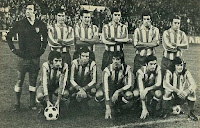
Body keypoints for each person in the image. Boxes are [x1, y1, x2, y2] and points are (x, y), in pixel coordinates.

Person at [6, 2, 48, 111]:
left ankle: (32, 103)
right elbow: (9, 37)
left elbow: (45, 38)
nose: (27, 11)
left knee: (33, 81)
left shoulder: (40, 24)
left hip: (35, 58)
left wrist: (42, 50)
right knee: (20, 80)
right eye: (26, 9)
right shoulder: (20, 23)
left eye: (30, 9)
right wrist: (14, 50)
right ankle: (17, 104)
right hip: (22, 57)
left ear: (35, 11)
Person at [98, 51, 133, 119]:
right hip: (109, 88)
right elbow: (105, 88)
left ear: (121, 61)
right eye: (113, 59)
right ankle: (106, 106)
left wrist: (118, 91)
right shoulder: (107, 70)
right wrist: (108, 107)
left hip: (119, 89)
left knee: (129, 94)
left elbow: (130, 84)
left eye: (118, 59)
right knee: (99, 95)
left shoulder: (127, 68)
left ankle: (118, 106)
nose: (115, 61)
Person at [133, 10, 160, 75]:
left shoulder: (155, 30)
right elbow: (136, 45)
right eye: (144, 19)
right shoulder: (137, 30)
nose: (146, 21)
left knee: (150, 79)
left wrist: (141, 43)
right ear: (142, 20)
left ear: (151, 20)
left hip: (150, 58)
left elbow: (156, 43)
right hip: (139, 58)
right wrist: (151, 44)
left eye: (148, 19)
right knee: (138, 79)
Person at [136, 55, 162, 119]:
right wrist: (144, 108)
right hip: (140, 89)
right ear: (146, 64)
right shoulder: (140, 72)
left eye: (154, 64)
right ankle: (137, 105)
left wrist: (148, 89)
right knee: (135, 94)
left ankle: (152, 107)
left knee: (158, 93)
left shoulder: (158, 68)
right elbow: (141, 90)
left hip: (150, 88)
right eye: (151, 64)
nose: (153, 66)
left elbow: (158, 83)